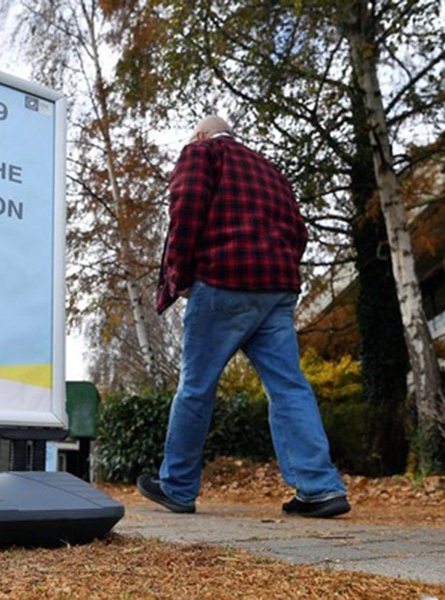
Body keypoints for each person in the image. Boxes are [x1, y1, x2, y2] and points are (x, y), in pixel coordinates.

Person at [137, 115, 349, 518]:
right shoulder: (271, 170)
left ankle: (178, 487)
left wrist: (179, 275)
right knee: (289, 386)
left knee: (196, 386)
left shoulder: (201, 152)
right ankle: (320, 488)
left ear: (200, 134)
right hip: (276, 290)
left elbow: (186, 210)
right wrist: (278, 267)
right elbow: (299, 231)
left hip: (222, 281)